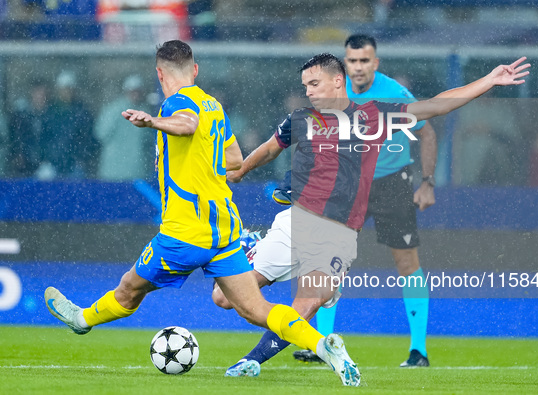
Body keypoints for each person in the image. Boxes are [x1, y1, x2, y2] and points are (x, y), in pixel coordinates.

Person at [43, 40, 361, 387]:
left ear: (160, 74)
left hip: (184, 231)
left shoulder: (178, 103)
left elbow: (187, 124)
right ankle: (322, 345)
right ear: (195, 70)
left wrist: (153, 122)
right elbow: (235, 161)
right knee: (255, 308)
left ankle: (83, 319)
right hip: (223, 228)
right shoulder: (215, 106)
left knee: (129, 289)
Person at [211, 52, 530, 376]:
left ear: (338, 82)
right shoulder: (300, 119)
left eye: (315, 83)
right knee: (223, 297)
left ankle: (252, 360)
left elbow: (437, 104)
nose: (308, 91)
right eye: (305, 85)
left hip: (338, 235)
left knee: (305, 306)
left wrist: (490, 80)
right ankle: (248, 245)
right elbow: (269, 148)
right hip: (297, 222)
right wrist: (239, 172)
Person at [294, 34, 438, 367]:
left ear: (375, 63)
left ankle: (419, 351)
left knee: (406, 262)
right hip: (349, 185)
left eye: (364, 61)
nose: (358, 67)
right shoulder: (335, 91)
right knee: (329, 262)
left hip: (391, 183)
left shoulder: (392, 93)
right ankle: (322, 343)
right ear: (344, 64)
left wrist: (427, 183)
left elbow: (427, 130)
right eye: (352, 61)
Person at [94, 74, 154, 181]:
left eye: (137, 91)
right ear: (126, 91)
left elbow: (149, 140)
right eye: (132, 91)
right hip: (113, 172)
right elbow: (101, 134)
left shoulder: (145, 112)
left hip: (136, 172)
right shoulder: (113, 110)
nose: (135, 94)